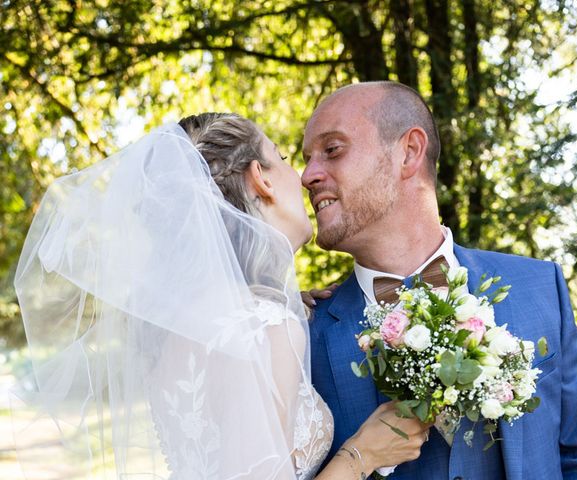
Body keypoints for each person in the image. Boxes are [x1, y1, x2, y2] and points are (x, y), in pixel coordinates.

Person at [10, 113, 429, 479]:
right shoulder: (265, 327)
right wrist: (362, 455)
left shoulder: (187, 327)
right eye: (284, 159)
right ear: (259, 178)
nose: (302, 177)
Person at [301, 81, 577, 479]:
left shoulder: (539, 287)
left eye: (332, 150)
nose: (307, 175)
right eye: (307, 158)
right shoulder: (300, 335)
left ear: (409, 151)